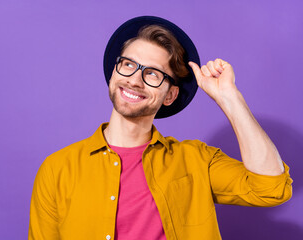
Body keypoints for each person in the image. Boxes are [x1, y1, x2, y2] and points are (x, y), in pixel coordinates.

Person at [28, 16, 293, 240]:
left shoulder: (196, 161)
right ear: (114, 73)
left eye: (153, 73)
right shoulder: (57, 169)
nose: (134, 80)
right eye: (129, 64)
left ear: (170, 95)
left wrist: (229, 98)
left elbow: (270, 188)